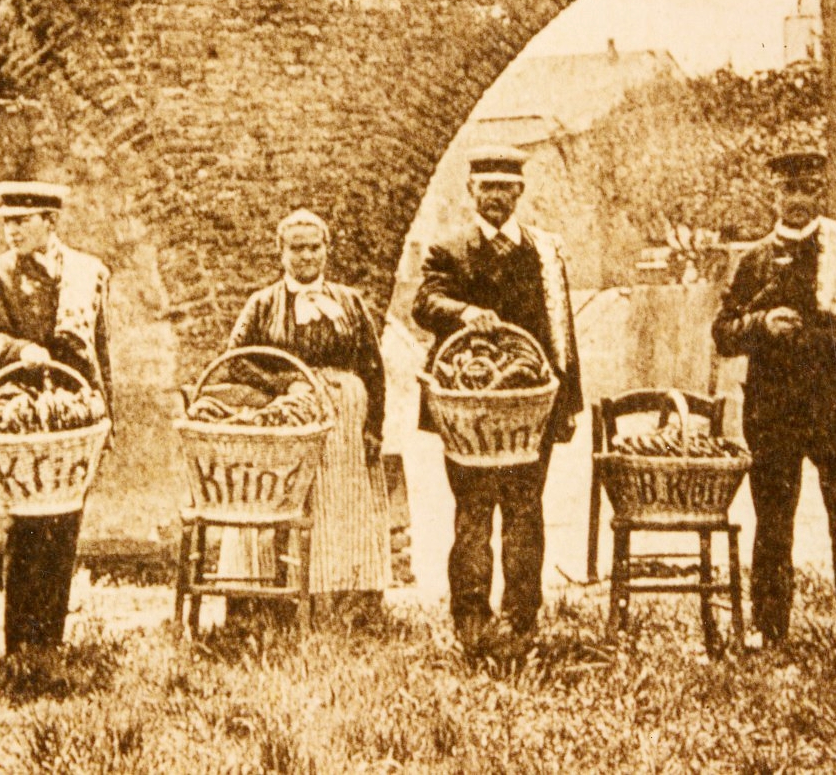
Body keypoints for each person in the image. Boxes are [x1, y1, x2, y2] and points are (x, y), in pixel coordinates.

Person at [713, 148, 836, 646]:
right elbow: (722, 333)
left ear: (821, 193)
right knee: (773, 519)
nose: (798, 200)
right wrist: (761, 324)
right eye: (789, 191)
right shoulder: (755, 259)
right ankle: (769, 627)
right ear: (774, 195)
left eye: (808, 190)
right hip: (773, 407)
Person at [412, 146, 583, 653]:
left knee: (526, 510)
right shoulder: (450, 250)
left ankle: (521, 620)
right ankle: (471, 621)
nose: (495, 198)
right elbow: (425, 303)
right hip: (469, 413)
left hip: (532, 408)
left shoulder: (545, 254)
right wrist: (465, 313)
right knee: (472, 511)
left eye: (504, 189)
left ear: (519, 193)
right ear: (471, 192)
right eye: (486, 188)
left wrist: (567, 403)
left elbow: (562, 331)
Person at [0, 180, 113, 653]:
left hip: (72, 413)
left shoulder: (87, 273)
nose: (11, 230)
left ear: (50, 222)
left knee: (66, 524)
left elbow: (99, 351)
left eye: (22, 221)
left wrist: (105, 413)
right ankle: (20, 647)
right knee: (26, 525)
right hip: (23, 412)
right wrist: (20, 349)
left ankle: (51, 641)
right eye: (7, 221)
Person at [224, 210, 390, 621]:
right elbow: (235, 362)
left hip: (345, 427)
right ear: (281, 252)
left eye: (315, 247)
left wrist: (374, 430)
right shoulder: (262, 304)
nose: (306, 256)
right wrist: (288, 385)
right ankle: (273, 603)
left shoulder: (349, 302)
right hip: (289, 419)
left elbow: (372, 367)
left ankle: (342, 606)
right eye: (297, 248)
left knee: (342, 505)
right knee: (282, 503)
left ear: (326, 250)